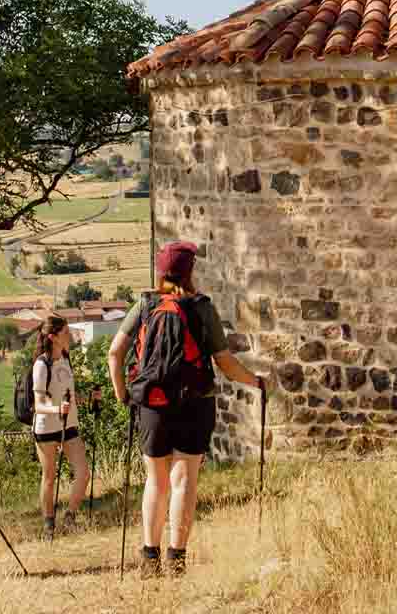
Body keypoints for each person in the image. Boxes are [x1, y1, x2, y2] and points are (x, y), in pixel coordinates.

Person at [107, 241, 264, 578]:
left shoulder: (146, 304)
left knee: (156, 480)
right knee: (183, 481)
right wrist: (256, 382)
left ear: (160, 270)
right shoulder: (201, 307)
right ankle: (176, 560)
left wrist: (124, 395)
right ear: (190, 271)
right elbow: (224, 363)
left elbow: (115, 353)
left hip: (152, 402)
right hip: (195, 402)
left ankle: (149, 559)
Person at [31, 314, 91, 539]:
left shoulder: (66, 358)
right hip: (46, 427)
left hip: (70, 424)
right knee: (49, 477)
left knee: (83, 473)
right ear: (53, 337)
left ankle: (69, 518)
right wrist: (57, 409)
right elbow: (38, 404)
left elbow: (70, 396)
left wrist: (87, 397)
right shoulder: (41, 364)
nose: (70, 336)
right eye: (65, 333)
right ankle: (48, 524)